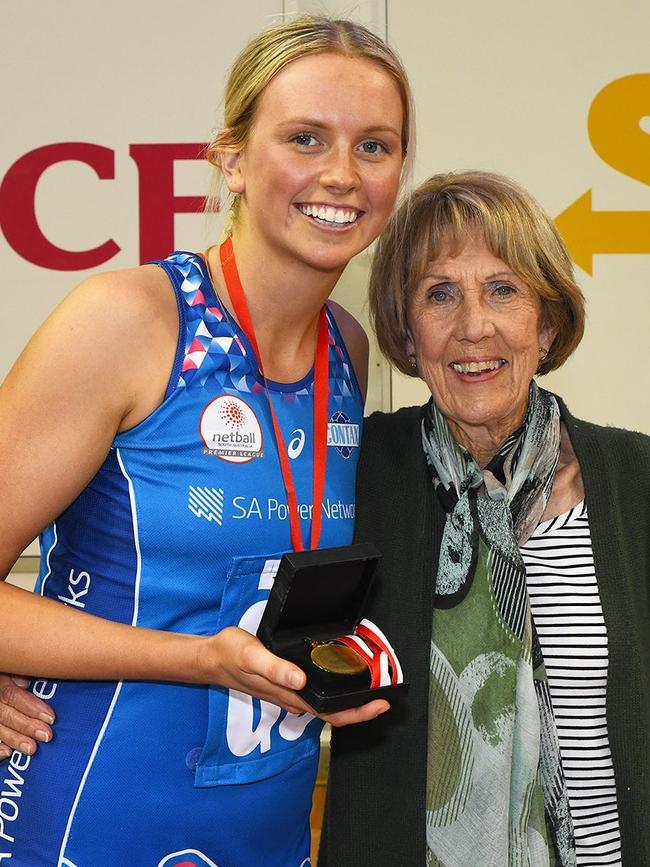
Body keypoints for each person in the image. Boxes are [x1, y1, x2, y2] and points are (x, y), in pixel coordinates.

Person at [0, 15, 413, 865]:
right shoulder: (128, 322)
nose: (342, 173)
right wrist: (198, 660)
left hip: (266, 828)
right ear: (229, 158)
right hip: (89, 814)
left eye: (375, 146)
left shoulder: (348, 346)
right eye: (306, 137)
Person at [320, 171, 650, 867]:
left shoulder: (636, 482)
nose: (474, 325)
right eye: (440, 293)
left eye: (503, 289)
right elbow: (226, 595)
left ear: (548, 319)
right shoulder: (358, 474)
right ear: (408, 335)